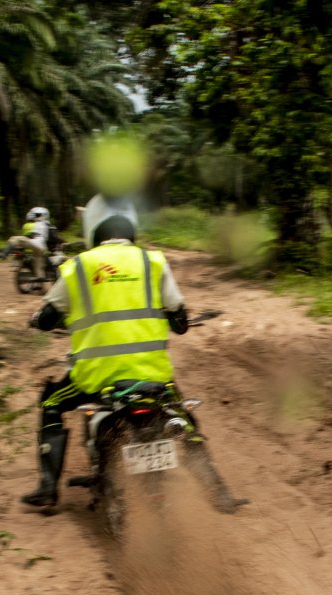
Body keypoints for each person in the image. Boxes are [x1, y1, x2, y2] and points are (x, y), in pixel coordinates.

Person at [21, 194, 245, 513]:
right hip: (152, 377)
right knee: (183, 418)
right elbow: (180, 321)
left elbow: (46, 318)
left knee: (51, 401)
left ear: (93, 232)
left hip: (94, 379)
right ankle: (218, 494)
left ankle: (47, 487)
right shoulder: (152, 261)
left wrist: (40, 321)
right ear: (131, 229)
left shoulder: (78, 267)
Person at [0, 207, 52, 280]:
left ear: (40, 215)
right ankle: (40, 278)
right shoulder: (47, 225)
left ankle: (4, 254)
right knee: (38, 264)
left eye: (36, 215)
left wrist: (26, 239)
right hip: (42, 247)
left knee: (14, 239)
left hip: (35, 243)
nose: (34, 216)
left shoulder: (37, 224)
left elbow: (30, 235)